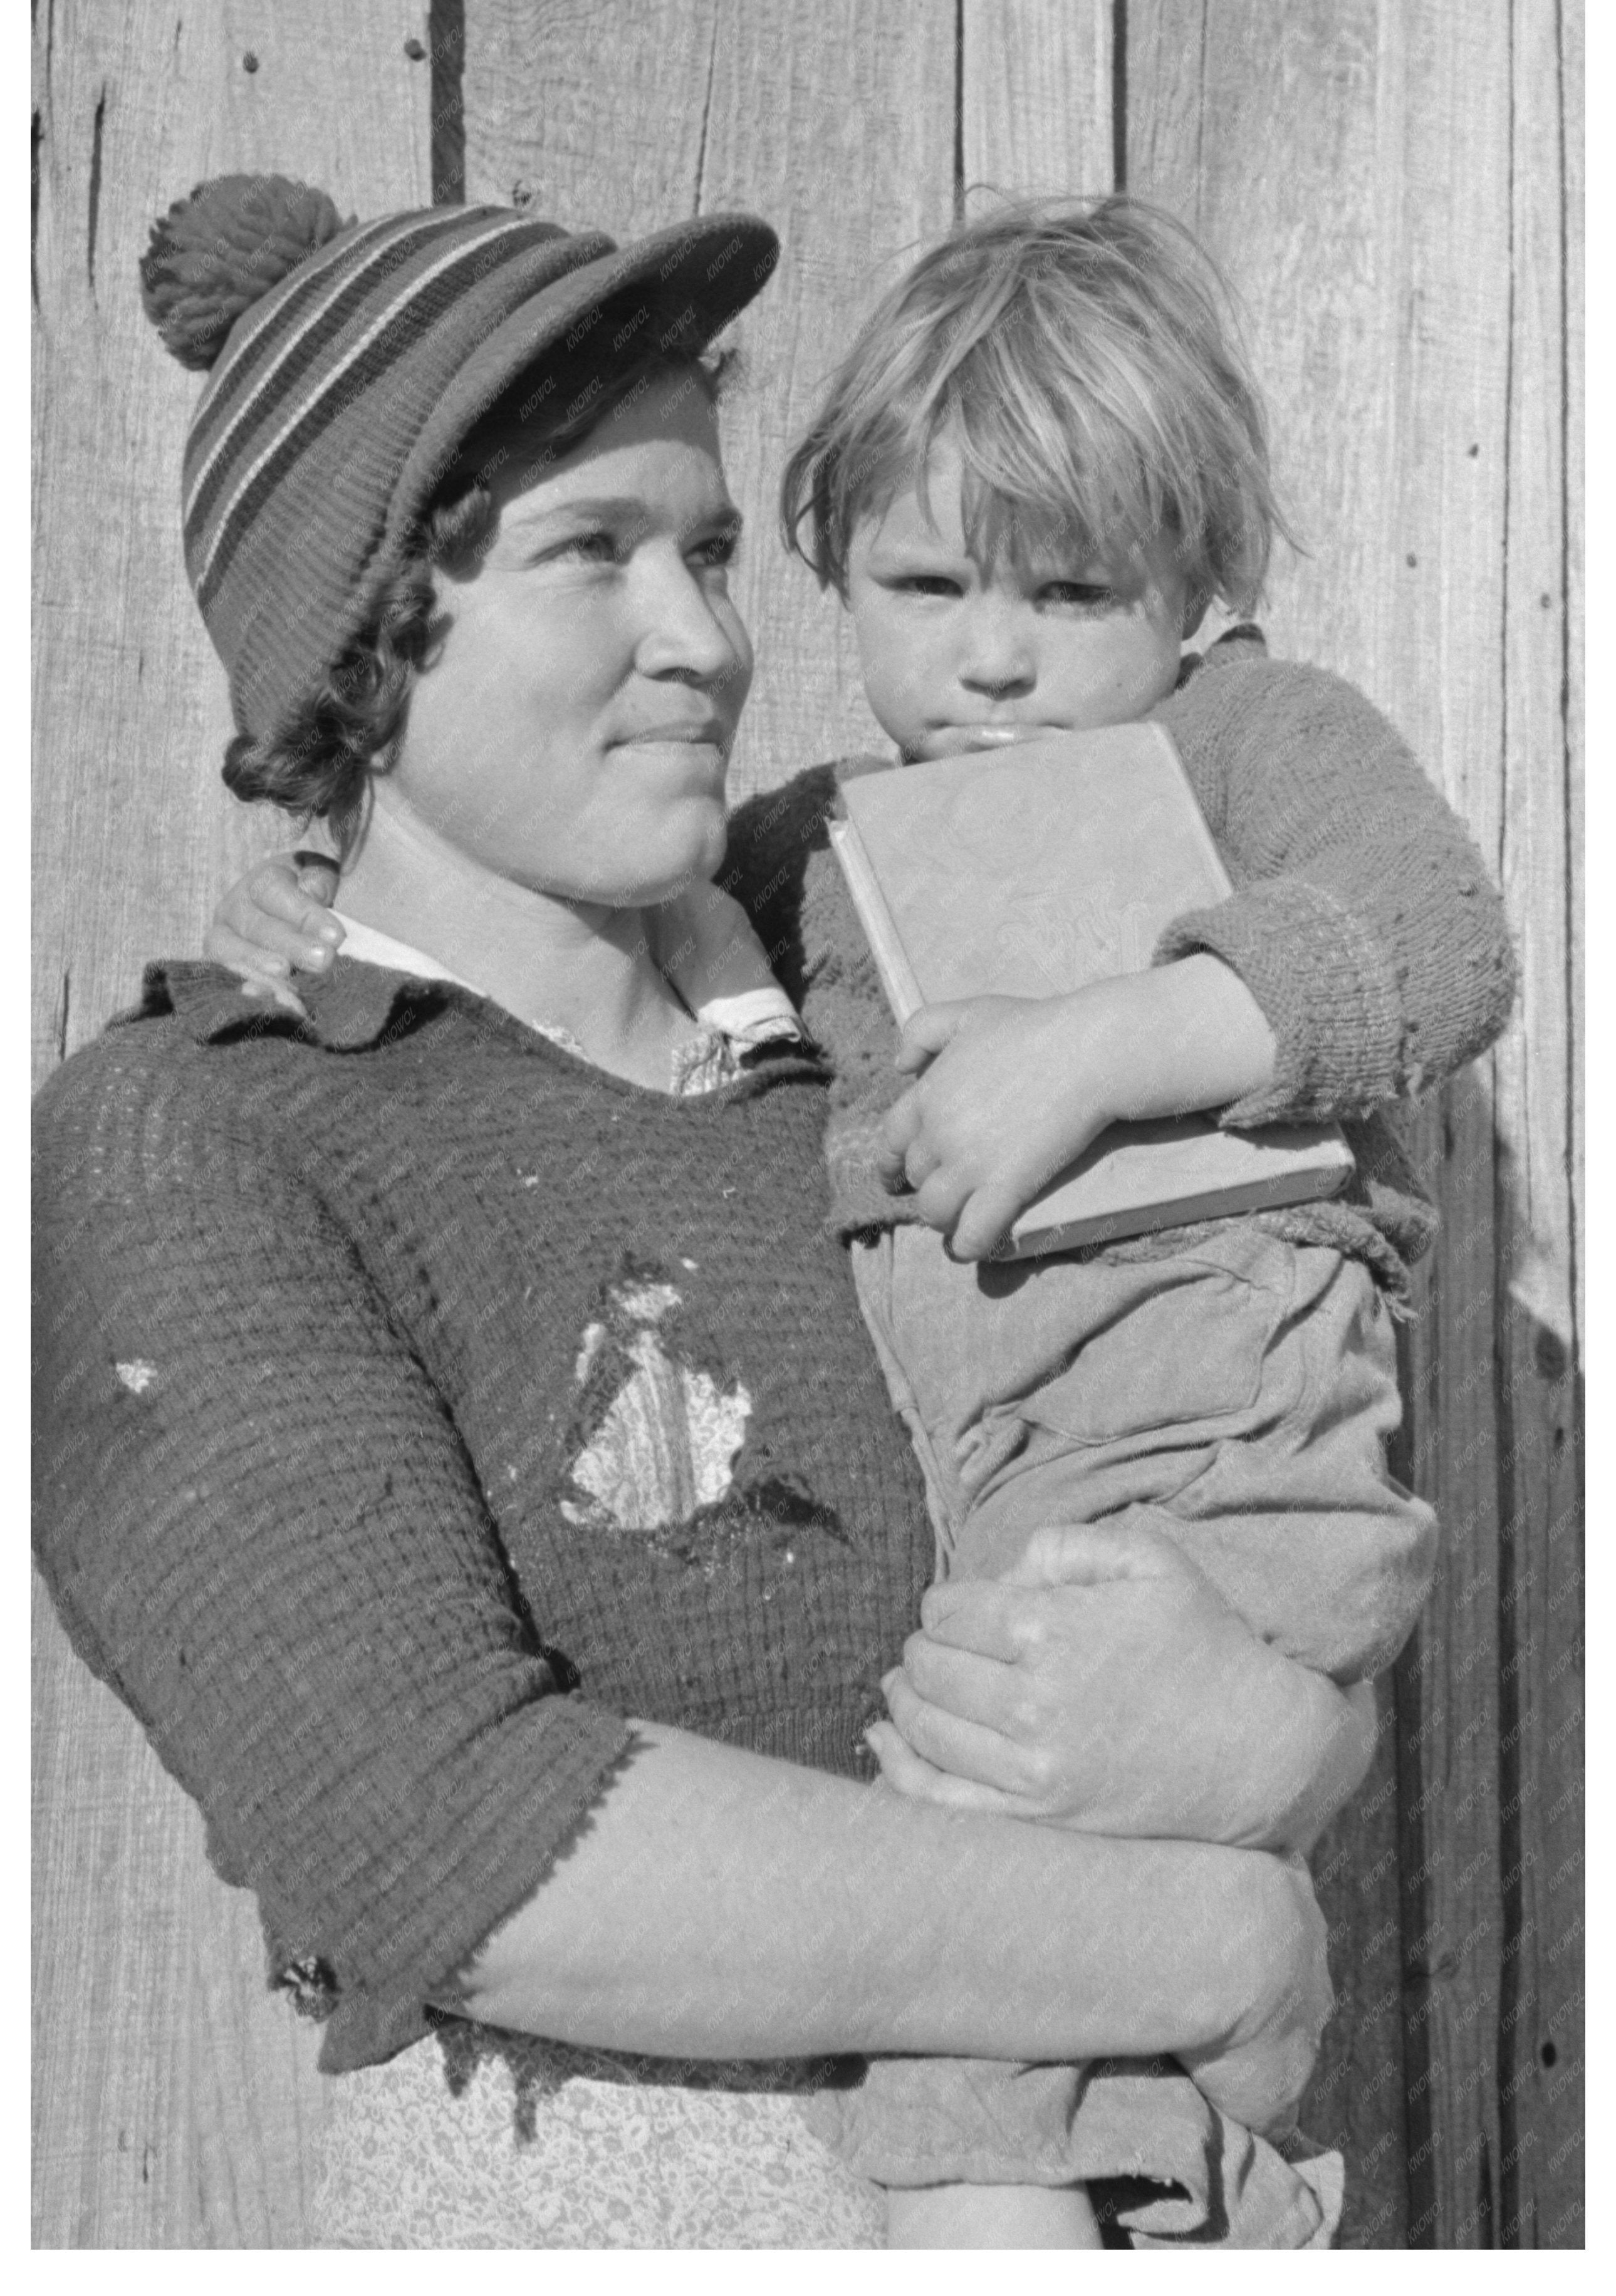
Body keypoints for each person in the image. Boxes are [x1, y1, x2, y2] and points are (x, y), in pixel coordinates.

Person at [33, 175, 1349, 2252]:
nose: (711, 640)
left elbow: (1215, 1461)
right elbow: (443, 1840)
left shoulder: (887, 1058)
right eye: (593, 554)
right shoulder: (213, 1136)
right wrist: (1215, 1938)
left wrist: (1278, 1734)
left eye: (716, 549)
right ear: (371, 642)